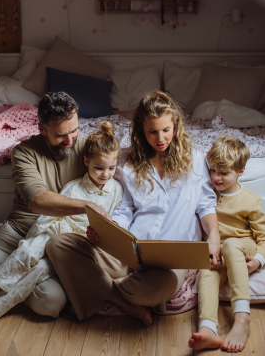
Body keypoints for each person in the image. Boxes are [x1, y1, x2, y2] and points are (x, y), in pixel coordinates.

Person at [46, 91, 222, 326]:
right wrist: (108, 232)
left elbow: (205, 204)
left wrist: (214, 237)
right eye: (152, 131)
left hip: (170, 264)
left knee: (152, 289)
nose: (160, 138)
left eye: (166, 130)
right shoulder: (128, 162)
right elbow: (125, 209)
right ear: (141, 128)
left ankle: (103, 289)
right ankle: (120, 298)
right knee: (58, 244)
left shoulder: (195, 159)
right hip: (130, 252)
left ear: (175, 126)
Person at [0, 92, 109, 319]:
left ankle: (1, 286)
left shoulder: (87, 151)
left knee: (51, 303)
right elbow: (38, 201)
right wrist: (87, 206)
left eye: (74, 130)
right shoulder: (24, 152)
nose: (70, 141)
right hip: (17, 234)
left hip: (54, 244)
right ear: (42, 129)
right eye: (60, 135)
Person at [189, 135, 265, 353]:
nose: (216, 178)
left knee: (230, 245)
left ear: (240, 171)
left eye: (224, 173)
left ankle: (242, 318)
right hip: (218, 252)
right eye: (213, 170)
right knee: (205, 274)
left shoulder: (250, 200)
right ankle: (208, 327)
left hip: (242, 245)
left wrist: (257, 261)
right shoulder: (206, 194)